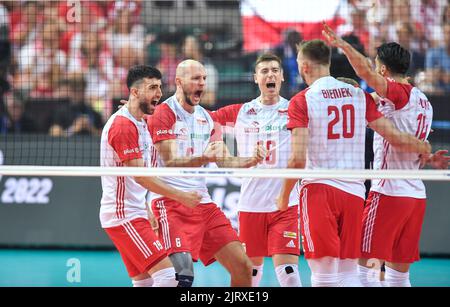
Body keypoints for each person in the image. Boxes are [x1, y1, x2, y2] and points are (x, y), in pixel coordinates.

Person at [277, 39, 431, 287]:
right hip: (360, 192)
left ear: (304, 66)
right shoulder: (363, 96)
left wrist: (284, 196)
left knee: (329, 276)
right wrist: (424, 146)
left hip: (329, 189)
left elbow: (297, 158)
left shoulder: (303, 100)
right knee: (360, 275)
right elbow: (396, 136)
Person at [323, 23, 449, 287]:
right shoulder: (423, 101)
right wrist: (428, 157)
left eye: (375, 66)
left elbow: (365, 72)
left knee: (363, 270)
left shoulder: (399, 94)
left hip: (389, 192)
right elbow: (413, 144)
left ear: (382, 69)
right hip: (415, 195)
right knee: (398, 277)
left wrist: (345, 46)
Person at [147, 59, 264, 287]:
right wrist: (204, 157)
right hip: (171, 202)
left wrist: (251, 159)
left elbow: (225, 161)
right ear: (179, 82)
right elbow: (170, 161)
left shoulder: (207, 118)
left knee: (244, 268)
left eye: (204, 79)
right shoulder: (164, 114)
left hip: (203, 203)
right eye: (196, 79)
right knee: (183, 277)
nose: (202, 84)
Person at [100, 65, 201, 287]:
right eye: (152, 88)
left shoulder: (141, 122)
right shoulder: (123, 126)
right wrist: (181, 196)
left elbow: (137, 179)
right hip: (123, 216)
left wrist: (146, 208)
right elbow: (141, 177)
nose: (159, 93)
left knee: (144, 282)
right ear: (135, 92)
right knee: (168, 277)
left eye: (160, 87)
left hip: (133, 212)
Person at [211, 53, 302, 287]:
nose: (270, 74)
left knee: (290, 274)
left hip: (286, 204)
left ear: (282, 76)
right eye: (264, 71)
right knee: (250, 274)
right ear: (255, 78)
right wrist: (152, 113)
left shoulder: (296, 109)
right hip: (251, 205)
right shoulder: (241, 111)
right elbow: (200, 119)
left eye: (274, 70)